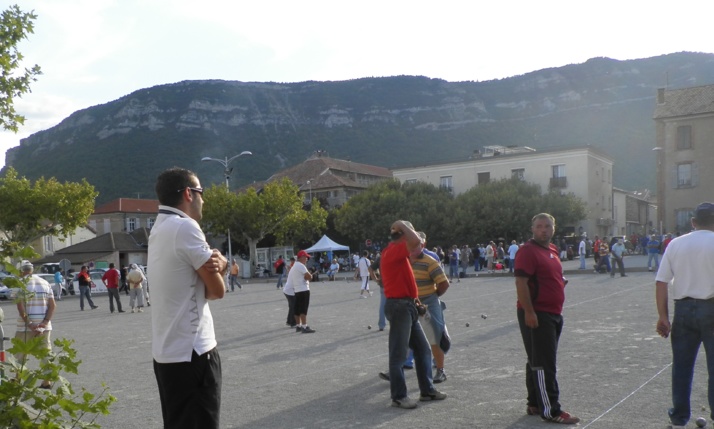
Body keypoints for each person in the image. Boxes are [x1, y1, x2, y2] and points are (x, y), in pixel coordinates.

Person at [148, 167, 228, 429]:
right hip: (194, 352)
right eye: (201, 192)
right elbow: (217, 291)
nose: (203, 199)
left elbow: (188, 288)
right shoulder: (186, 227)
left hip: (167, 353)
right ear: (188, 194)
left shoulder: (158, 228)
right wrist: (224, 265)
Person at [514, 213, 580, 424]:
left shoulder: (551, 250)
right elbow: (521, 282)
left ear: (554, 228)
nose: (544, 229)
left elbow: (550, 275)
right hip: (538, 312)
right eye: (539, 226)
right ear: (533, 229)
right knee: (544, 362)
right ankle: (551, 409)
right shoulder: (527, 251)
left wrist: (559, 283)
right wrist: (530, 312)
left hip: (553, 312)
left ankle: (534, 402)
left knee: (535, 358)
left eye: (547, 226)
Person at [655, 202, 714, 428]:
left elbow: (661, 281)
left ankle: (679, 417)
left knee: (681, 366)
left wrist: (663, 317)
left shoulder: (676, 244)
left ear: (693, 222)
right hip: (711, 307)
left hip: (684, 308)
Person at [382, 220, 446, 409]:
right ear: (402, 237)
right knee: (398, 354)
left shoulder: (394, 252)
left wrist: (416, 300)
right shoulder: (395, 249)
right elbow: (416, 241)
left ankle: (427, 390)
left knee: (422, 350)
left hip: (406, 305)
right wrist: (401, 224)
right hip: (400, 306)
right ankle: (399, 396)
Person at [412, 231, 450, 384]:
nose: (414, 247)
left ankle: (440, 370)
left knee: (436, 334)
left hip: (429, 301)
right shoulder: (405, 261)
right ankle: (397, 368)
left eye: (417, 244)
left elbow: (444, 283)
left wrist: (432, 297)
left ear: (423, 245)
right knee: (404, 336)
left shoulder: (430, 261)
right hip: (411, 302)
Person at [15, 260, 56, 389]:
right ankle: (47, 381)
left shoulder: (21, 284)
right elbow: (52, 305)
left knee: (20, 354)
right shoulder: (45, 283)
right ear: (31, 270)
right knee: (45, 354)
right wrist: (44, 322)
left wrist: (30, 323)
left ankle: (18, 380)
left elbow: (20, 307)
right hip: (44, 327)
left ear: (21, 271)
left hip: (25, 327)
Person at [286, 250, 316, 333]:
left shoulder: (295, 265)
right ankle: (304, 326)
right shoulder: (301, 266)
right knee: (303, 308)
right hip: (303, 289)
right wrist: (310, 275)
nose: (307, 259)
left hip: (297, 290)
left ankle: (298, 325)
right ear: (302, 257)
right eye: (306, 257)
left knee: (297, 309)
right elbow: (308, 277)